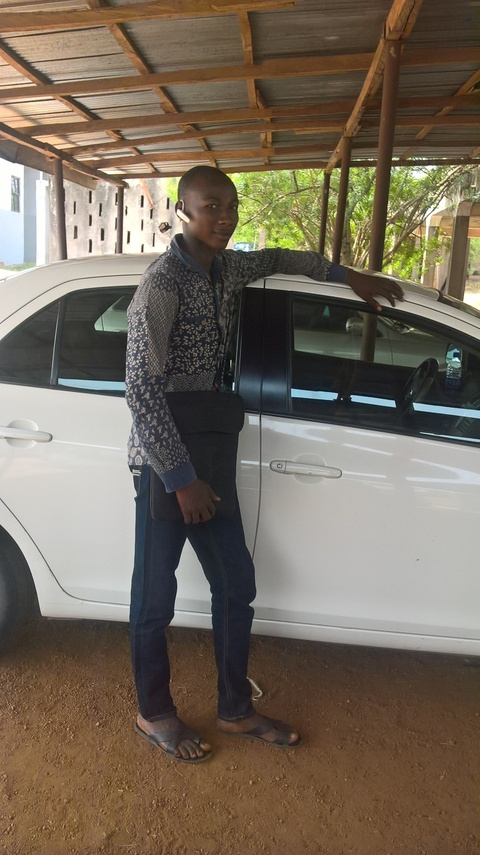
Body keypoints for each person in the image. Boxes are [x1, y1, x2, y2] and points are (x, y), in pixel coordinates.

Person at [125, 165, 404, 764]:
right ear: (182, 211)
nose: (224, 217)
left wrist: (348, 276)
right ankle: (154, 713)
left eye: (230, 206)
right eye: (211, 206)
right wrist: (180, 480)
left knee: (236, 585)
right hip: (165, 464)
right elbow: (141, 389)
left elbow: (283, 258)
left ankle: (234, 709)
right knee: (154, 599)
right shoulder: (162, 284)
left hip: (211, 453)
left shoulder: (229, 268)